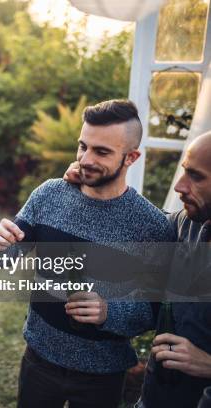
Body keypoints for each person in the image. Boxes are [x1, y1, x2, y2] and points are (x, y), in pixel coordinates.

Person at [0, 100, 173, 408]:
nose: (85, 159)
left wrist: (108, 312)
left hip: (103, 376)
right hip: (38, 361)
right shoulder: (48, 195)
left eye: (101, 151)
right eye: (82, 146)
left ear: (131, 157)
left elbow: (152, 311)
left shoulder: (151, 227)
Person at [65, 131, 211, 407]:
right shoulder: (187, 225)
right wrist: (93, 180)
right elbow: (141, 224)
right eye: (184, 172)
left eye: (196, 176)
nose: (179, 186)